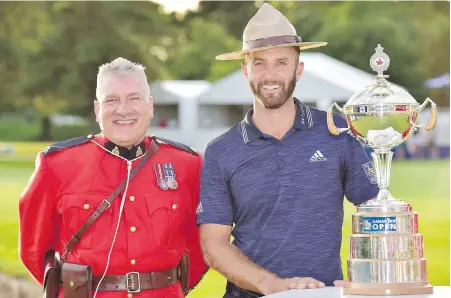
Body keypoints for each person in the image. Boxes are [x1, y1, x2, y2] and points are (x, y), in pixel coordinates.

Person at [196, 3, 379, 298]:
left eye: (281, 62)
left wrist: (367, 273)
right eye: (260, 63)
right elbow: (213, 245)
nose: (270, 74)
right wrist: (273, 286)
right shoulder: (221, 151)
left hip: (325, 293)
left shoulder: (337, 131)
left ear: (299, 69)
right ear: (245, 69)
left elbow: (374, 210)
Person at [18, 57, 208, 298]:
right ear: (98, 109)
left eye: (134, 98)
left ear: (150, 105)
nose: (123, 110)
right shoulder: (56, 164)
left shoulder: (189, 165)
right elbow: (33, 250)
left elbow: (202, 245)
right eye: (112, 100)